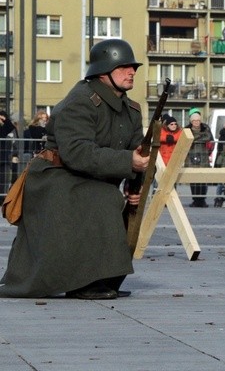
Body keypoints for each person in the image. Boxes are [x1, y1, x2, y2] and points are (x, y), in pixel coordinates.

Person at [0, 38, 149, 299]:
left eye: (133, 67)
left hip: (87, 176)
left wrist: (135, 183)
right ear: (104, 71)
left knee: (110, 198)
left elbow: (140, 153)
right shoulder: (80, 101)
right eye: (124, 66)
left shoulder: (132, 110)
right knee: (102, 198)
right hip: (56, 176)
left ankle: (103, 279)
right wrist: (127, 162)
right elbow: (76, 152)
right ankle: (85, 283)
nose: (132, 72)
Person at [184, 108, 214, 208]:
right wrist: (200, 138)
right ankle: (196, 200)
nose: (197, 122)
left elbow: (209, 138)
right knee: (194, 180)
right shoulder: (186, 129)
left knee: (203, 179)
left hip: (203, 156)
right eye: (194, 120)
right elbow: (186, 139)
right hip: (191, 157)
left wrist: (194, 139)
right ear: (191, 121)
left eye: (198, 120)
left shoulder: (205, 128)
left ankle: (202, 199)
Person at [0, 110, 18, 194]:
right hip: (3, 157)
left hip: (2, 159)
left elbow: (11, 127)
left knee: (2, 180)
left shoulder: (3, 129)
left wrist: (4, 119)